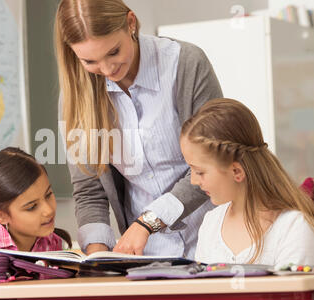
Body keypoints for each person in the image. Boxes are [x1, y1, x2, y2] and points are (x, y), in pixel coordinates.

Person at [54, 0, 222, 257]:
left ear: (130, 23)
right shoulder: (76, 96)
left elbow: (213, 161)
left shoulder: (185, 63)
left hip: (215, 239)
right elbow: (89, 189)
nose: (107, 70)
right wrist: (97, 255)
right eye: (90, 61)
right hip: (145, 254)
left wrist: (148, 222)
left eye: (113, 52)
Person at [180, 98, 314, 266]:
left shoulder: (293, 226)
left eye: (200, 172)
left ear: (236, 171)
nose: (193, 181)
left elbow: (294, 292)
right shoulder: (211, 223)